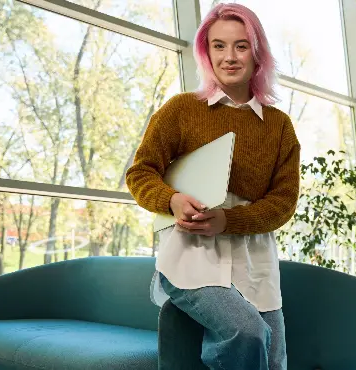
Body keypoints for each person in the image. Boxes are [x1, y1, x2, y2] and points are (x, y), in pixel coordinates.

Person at [125, 3, 299, 369]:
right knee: (248, 333)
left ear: (257, 53)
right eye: (218, 46)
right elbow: (140, 172)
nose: (229, 57)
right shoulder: (181, 109)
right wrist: (171, 200)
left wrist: (229, 221)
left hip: (256, 263)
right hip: (191, 258)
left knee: (273, 361)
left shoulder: (279, 126)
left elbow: (283, 203)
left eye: (240, 45)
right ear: (206, 52)